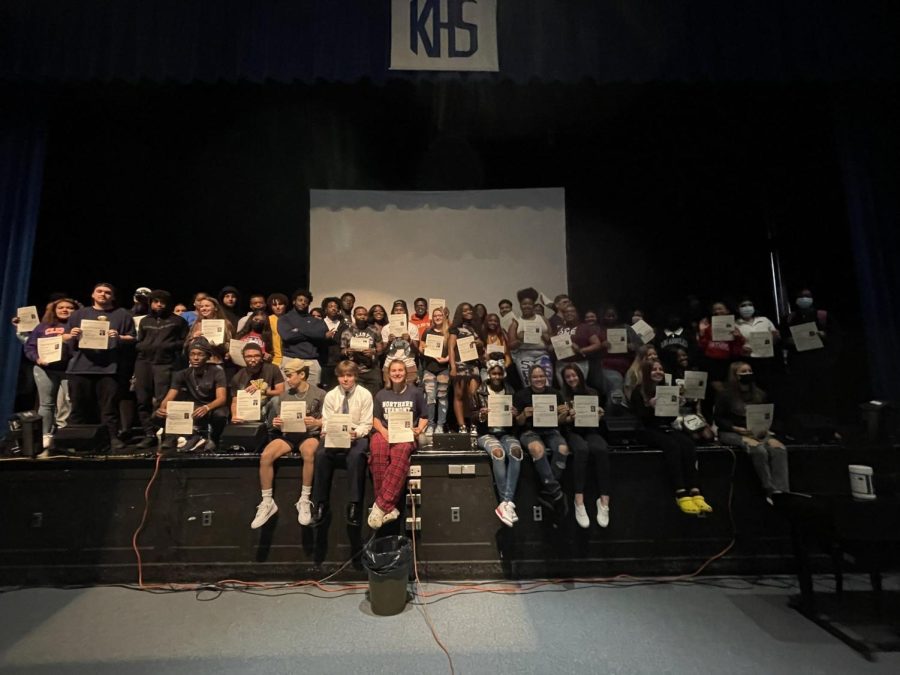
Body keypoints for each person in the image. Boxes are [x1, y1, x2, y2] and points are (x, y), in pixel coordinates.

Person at [250, 359, 326, 529]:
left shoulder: (319, 394)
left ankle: (305, 499)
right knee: (266, 456)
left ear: (302, 374)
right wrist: (276, 422)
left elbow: (326, 420)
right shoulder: (284, 395)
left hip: (309, 434)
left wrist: (316, 421)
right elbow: (277, 422)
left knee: (309, 452)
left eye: (290, 375)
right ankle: (267, 501)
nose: (287, 379)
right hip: (288, 435)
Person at [630, 360, 712, 516]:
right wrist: (651, 407)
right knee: (672, 445)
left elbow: (669, 419)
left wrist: (675, 406)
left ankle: (695, 490)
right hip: (645, 430)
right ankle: (680, 491)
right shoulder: (638, 391)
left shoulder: (667, 390)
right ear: (647, 372)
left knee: (688, 444)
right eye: (654, 369)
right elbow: (640, 417)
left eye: (661, 369)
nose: (658, 371)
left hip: (664, 427)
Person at [64, 283, 136, 451]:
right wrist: (71, 335)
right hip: (80, 367)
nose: (103, 294)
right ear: (93, 294)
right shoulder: (79, 314)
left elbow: (133, 338)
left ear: (113, 297)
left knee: (109, 408)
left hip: (109, 369)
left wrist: (119, 337)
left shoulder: (122, 315)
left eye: (108, 292)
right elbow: (65, 337)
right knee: (78, 407)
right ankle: (74, 440)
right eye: (99, 291)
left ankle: (111, 437)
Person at [312, 360, 373, 528]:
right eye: (342, 376)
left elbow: (366, 424)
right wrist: (326, 430)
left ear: (355, 377)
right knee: (321, 454)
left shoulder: (364, 394)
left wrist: (356, 433)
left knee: (356, 456)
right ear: (337, 377)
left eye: (349, 376)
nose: (345, 380)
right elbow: (326, 420)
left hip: (356, 435)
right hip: (335, 434)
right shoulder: (331, 395)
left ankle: (354, 504)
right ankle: (320, 503)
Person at [368, 359, 427, 529]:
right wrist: (384, 432)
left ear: (406, 373)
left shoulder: (415, 393)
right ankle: (388, 507)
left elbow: (424, 416)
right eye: (393, 370)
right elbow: (375, 419)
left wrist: (419, 429)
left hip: (406, 433)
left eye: (400, 370)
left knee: (400, 454)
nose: (397, 373)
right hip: (385, 432)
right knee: (377, 450)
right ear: (388, 373)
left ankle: (380, 505)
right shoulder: (381, 394)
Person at [716, 361, 789, 499]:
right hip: (732, 431)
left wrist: (767, 432)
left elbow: (768, 417)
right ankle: (770, 489)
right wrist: (736, 429)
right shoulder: (725, 395)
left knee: (779, 449)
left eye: (749, 371)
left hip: (757, 431)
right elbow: (719, 419)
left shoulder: (760, 394)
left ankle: (783, 491)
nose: (747, 374)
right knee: (758, 450)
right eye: (743, 372)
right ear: (734, 376)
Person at [133, 290, 189, 449]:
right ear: (150, 303)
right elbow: (139, 341)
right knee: (142, 400)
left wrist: (168, 346)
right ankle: (149, 434)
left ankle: (169, 436)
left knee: (163, 401)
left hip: (165, 364)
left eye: (162, 302)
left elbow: (184, 342)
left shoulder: (177, 321)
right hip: (144, 363)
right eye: (155, 301)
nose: (159, 305)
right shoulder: (145, 321)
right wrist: (142, 346)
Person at [559, 363, 611, 528]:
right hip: (572, 431)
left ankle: (604, 500)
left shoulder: (592, 392)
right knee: (582, 449)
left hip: (590, 430)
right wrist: (567, 417)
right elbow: (559, 422)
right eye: (568, 377)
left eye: (574, 375)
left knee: (601, 449)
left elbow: (598, 417)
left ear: (580, 376)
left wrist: (600, 415)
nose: (571, 379)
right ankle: (578, 500)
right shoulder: (561, 395)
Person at [513, 365, 568, 519]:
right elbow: (518, 423)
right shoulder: (521, 395)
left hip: (551, 430)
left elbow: (560, 422)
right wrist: (524, 414)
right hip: (530, 432)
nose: (539, 379)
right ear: (529, 379)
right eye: (535, 377)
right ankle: (556, 491)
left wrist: (564, 414)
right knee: (538, 450)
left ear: (546, 377)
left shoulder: (555, 394)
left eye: (541, 376)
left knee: (563, 449)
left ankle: (547, 490)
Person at [155, 337, 228, 452]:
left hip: (212, 406)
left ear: (208, 356)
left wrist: (207, 407)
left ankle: (214, 439)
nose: (195, 358)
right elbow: (170, 397)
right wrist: (162, 408)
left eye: (200, 354)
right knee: (157, 414)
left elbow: (222, 398)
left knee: (220, 415)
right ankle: (173, 437)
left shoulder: (217, 371)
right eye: (192, 354)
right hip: (193, 406)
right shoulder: (182, 374)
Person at [474, 360, 523, 526]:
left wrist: (516, 414)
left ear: (503, 374)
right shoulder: (480, 391)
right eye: (494, 373)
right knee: (498, 453)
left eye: (499, 373)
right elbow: (471, 415)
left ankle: (505, 503)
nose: (496, 376)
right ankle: (506, 502)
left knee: (516, 451)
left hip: (506, 432)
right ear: (489, 374)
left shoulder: (510, 390)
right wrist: (481, 415)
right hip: (485, 433)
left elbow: (517, 420)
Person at [780, 288, 842, 419]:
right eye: (801, 296)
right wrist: (789, 341)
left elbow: (837, 337)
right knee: (801, 398)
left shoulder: (822, 316)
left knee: (823, 396)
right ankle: (805, 430)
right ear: (796, 300)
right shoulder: (789, 318)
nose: (804, 299)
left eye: (807, 296)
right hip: (798, 365)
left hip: (821, 364)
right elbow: (782, 340)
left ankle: (828, 429)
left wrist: (824, 335)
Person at [23, 298, 76, 448]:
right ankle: (46, 435)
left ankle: (65, 433)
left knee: (69, 402)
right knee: (46, 404)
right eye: (61, 307)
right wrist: (37, 358)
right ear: (54, 310)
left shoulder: (76, 326)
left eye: (69, 307)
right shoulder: (42, 327)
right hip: (45, 369)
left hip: (69, 370)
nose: (65, 310)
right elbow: (29, 347)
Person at [697, 301, 745, 409]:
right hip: (711, 362)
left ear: (727, 311)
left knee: (728, 389)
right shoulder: (708, 327)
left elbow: (737, 351)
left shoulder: (734, 327)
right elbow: (703, 347)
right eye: (715, 310)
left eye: (720, 309)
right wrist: (702, 334)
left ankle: (726, 412)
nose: (717, 311)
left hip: (726, 362)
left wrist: (737, 338)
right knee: (716, 390)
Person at [278, 290, 327, 386]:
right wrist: (311, 332)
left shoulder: (315, 320)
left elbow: (321, 334)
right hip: (290, 358)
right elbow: (287, 336)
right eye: (300, 300)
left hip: (311, 360)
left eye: (306, 301)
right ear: (294, 302)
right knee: (289, 392)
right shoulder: (285, 318)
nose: (303, 303)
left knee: (312, 394)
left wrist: (298, 330)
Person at [448, 302, 484, 434]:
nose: (468, 312)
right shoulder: (455, 329)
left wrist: (480, 344)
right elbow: (451, 348)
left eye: (470, 310)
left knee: (473, 396)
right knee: (458, 395)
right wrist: (452, 367)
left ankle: (473, 424)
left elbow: (481, 350)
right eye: (465, 310)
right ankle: (462, 426)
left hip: (473, 365)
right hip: (459, 364)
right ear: (460, 313)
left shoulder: (476, 328)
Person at [507, 287, 552, 387]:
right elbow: (511, 345)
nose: (527, 306)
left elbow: (552, 340)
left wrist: (545, 336)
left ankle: (546, 402)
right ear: (520, 306)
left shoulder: (543, 319)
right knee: (529, 383)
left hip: (542, 354)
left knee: (546, 383)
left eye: (529, 304)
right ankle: (531, 402)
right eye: (524, 304)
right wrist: (520, 340)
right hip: (524, 355)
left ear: (533, 305)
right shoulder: (516, 323)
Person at [229, 342, 285, 421]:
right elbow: (235, 401)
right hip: (249, 408)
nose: (253, 359)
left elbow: (281, 392)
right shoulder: (238, 377)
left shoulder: (272, 369)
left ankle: (272, 431)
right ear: (243, 357)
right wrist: (234, 416)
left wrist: (264, 391)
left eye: (256, 356)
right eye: (248, 356)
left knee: (276, 400)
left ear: (262, 356)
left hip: (267, 405)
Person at [734, 297, 780, 391]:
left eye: (750, 305)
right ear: (737, 309)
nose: (747, 307)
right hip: (748, 360)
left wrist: (776, 336)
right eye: (743, 305)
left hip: (766, 359)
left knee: (767, 387)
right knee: (750, 387)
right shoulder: (735, 324)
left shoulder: (764, 320)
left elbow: (775, 340)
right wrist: (741, 349)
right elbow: (733, 345)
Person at [420, 306, 451, 438]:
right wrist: (424, 348)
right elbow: (421, 348)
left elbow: (453, 351)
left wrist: (446, 359)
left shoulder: (449, 333)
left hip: (443, 369)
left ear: (444, 317)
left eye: (440, 315)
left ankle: (440, 424)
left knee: (442, 398)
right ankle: (431, 424)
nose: (438, 317)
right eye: (435, 315)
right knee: (430, 399)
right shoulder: (427, 332)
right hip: (429, 369)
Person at [340, 305, 385, 396]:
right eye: (359, 314)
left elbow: (381, 349)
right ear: (354, 316)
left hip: (372, 370)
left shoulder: (374, 329)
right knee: (357, 399)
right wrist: (347, 351)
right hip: (354, 371)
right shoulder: (347, 332)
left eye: (364, 314)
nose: (362, 316)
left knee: (374, 397)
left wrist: (374, 352)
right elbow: (341, 351)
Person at [185, 296, 233, 364]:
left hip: (216, 361)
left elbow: (231, 344)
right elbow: (187, 346)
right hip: (198, 363)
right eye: (201, 306)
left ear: (216, 308)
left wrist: (219, 345)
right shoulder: (197, 324)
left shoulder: (225, 323)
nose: (204, 308)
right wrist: (194, 338)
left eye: (207, 306)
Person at [381, 301, 419, 387]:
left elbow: (416, 351)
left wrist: (409, 341)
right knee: (389, 394)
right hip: (389, 365)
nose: (398, 312)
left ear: (405, 311)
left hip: (408, 365)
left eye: (401, 310)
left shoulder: (412, 327)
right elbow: (383, 352)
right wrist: (389, 342)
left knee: (410, 395)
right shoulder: (386, 328)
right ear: (392, 312)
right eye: (396, 310)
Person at [552, 304, 589, 389]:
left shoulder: (584, 327)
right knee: (564, 388)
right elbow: (551, 343)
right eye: (566, 312)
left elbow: (597, 344)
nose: (569, 313)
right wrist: (552, 347)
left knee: (579, 387)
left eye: (572, 311)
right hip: (562, 363)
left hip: (579, 362)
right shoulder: (559, 328)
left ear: (577, 313)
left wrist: (581, 349)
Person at [266, 292, 289, 367]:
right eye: (274, 305)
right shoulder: (267, 320)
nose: (278, 307)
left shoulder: (291, 319)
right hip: (272, 360)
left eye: (280, 304)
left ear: (285, 305)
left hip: (289, 358)